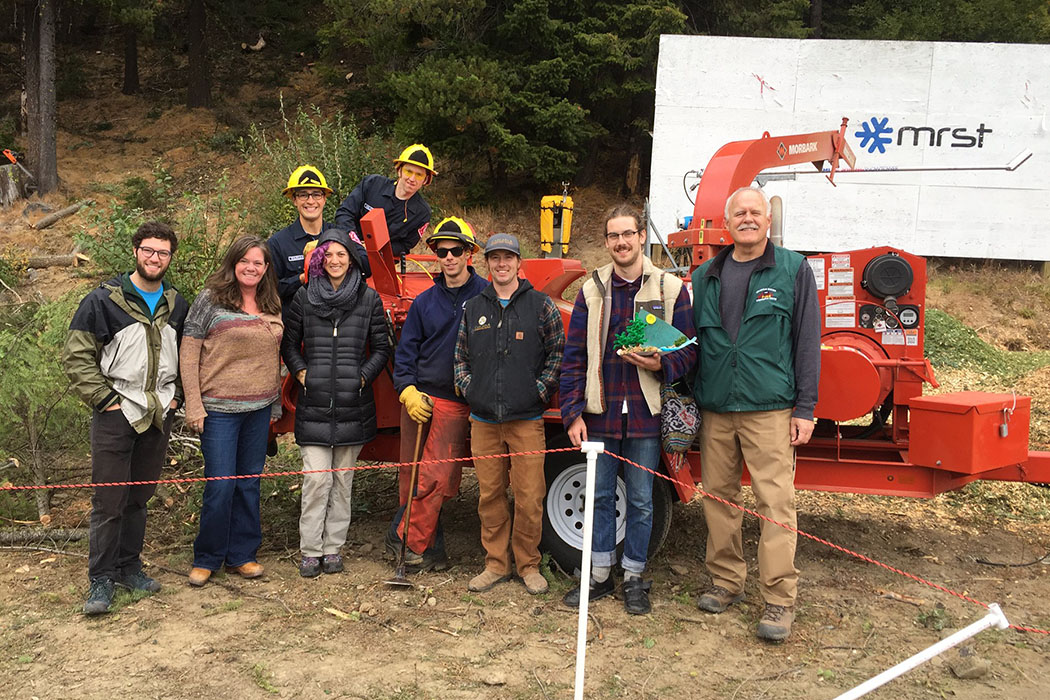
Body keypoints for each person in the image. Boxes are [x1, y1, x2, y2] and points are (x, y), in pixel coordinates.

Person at [691, 186, 820, 641]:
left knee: (775, 503)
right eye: (739, 212)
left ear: (768, 221)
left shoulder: (792, 269)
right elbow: (692, 344)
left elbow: (807, 342)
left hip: (770, 408)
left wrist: (805, 407)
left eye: (755, 212)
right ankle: (726, 582)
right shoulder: (706, 274)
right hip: (718, 407)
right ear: (727, 223)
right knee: (720, 497)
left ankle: (779, 599)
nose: (747, 218)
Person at [559, 204, 696, 615]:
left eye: (628, 234)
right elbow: (574, 358)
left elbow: (689, 352)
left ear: (641, 237)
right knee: (599, 496)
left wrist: (661, 364)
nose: (621, 242)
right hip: (600, 413)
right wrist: (572, 413)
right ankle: (600, 575)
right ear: (606, 242)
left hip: (645, 414)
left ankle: (634, 578)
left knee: (639, 499)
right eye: (613, 236)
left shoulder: (670, 289)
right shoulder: (591, 290)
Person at [63, 221, 188, 614]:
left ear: (171, 257)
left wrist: (177, 398)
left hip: (158, 411)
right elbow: (78, 356)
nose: (155, 258)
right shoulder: (104, 301)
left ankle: (129, 567)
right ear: (136, 251)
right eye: (149, 250)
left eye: (163, 252)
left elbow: (189, 356)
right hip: (117, 413)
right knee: (109, 500)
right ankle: (101, 579)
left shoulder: (176, 303)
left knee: (139, 497)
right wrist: (104, 400)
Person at [454, 233, 564, 596]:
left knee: (531, 497)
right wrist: (471, 389)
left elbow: (556, 355)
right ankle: (495, 565)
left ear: (520, 263)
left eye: (508, 258)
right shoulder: (473, 308)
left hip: (526, 420)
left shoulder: (540, 306)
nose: (501, 264)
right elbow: (460, 359)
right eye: (495, 258)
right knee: (489, 496)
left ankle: (528, 565)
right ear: (487, 264)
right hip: (484, 421)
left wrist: (539, 391)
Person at [281, 228, 392, 577]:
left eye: (341, 254)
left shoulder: (368, 299)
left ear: (352, 258)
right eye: (327, 255)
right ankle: (310, 550)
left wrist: (362, 377)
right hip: (314, 403)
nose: (334, 260)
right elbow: (289, 342)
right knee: (316, 479)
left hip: (352, 404)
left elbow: (382, 347)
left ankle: (333, 548)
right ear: (319, 260)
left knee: (343, 482)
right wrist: (301, 373)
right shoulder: (304, 297)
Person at [386, 216, 489, 572]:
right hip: (420, 398)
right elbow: (405, 354)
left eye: (456, 250)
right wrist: (407, 391)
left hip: (457, 400)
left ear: (469, 254)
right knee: (411, 477)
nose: (448, 257)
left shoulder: (486, 297)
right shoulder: (424, 302)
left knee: (440, 479)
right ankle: (430, 551)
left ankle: (401, 538)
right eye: (441, 250)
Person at [180, 235, 284, 587]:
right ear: (233, 262)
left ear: (266, 268)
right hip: (219, 410)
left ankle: (243, 554)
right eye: (245, 261)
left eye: (258, 262)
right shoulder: (210, 299)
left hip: (258, 409)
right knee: (220, 485)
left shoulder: (271, 302)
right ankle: (207, 557)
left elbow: (274, 355)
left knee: (249, 484)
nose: (251, 267)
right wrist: (193, 403)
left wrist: (275, 405)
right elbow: (189, 351)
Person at [269, 165, 369, 307]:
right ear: (294, 200)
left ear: (324, 199)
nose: (310, 201)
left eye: (316, 194)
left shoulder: (342, 235)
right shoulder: (278, 243)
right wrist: (302, 278)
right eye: (303, 194)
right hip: (298, 323)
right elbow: (270, 290)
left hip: (339, 321)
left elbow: (367, 266)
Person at [335, 144, 436, 258]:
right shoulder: (372, 184)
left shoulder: (422, 213)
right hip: (346, 251)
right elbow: (344, 213)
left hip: (380, 262)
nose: (412, 179)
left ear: (426, 179)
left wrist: (379, 250)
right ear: (399, 171)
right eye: (408, 171)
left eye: (419, 175)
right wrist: (355, 243)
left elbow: (405, 246)